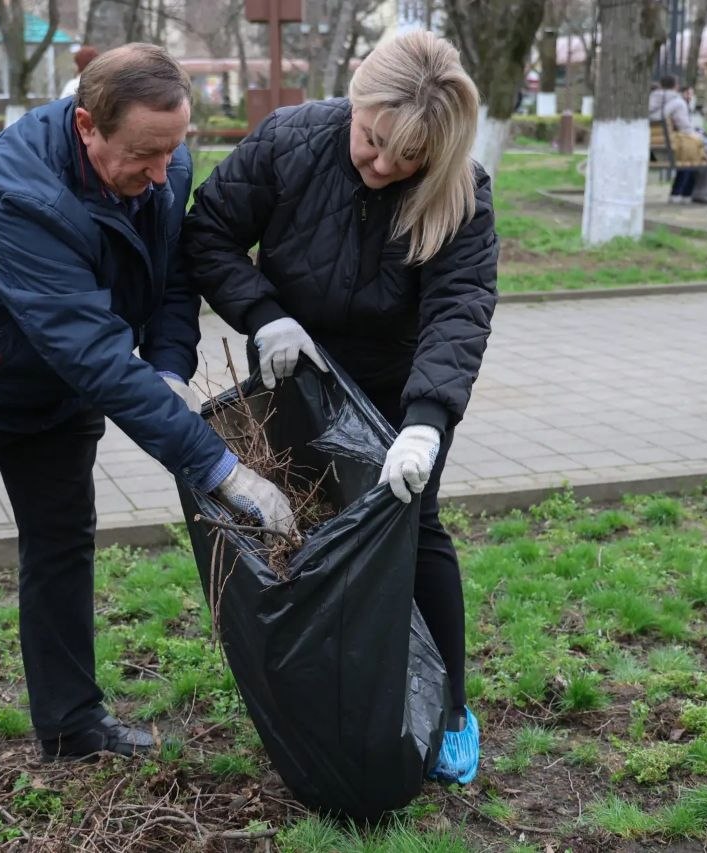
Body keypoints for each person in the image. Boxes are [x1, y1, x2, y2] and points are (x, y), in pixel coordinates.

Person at [0, 43, 295, 796]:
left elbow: (167, 278)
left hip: (51, 383)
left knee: (63, 543)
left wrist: (165, 368)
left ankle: (71, 723)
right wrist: (220, 467)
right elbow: (95, 356)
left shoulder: (162, 161)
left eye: (175, 148)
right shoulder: (20, 194)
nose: (164, 172)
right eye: (145, 154)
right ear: (87, 124)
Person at [183, 29, 496, 786]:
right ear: (355, 101)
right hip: (296, 376)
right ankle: (326, 688)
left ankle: (450, 704)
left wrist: (425, 421)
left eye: (409, 158)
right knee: (302, 526)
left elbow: (460, 307)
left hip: (397, 390)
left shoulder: (462, 191)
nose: (385, 166)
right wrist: (262, 314)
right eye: (373, 141)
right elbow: (209, 233)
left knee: (413, 528)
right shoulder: (293, 142)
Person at [649, 74, 707, 204]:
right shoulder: (677, 102)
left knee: (690, 151)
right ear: (676, 86)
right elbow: (685, 127)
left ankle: (678, 193)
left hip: (654, 150)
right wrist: (698, 136)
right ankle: (684, 193)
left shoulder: (649, 101)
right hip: (671, 150)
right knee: (699, 151)